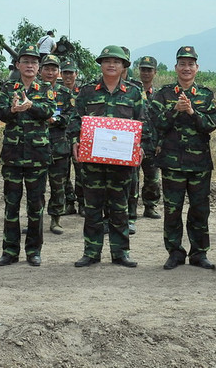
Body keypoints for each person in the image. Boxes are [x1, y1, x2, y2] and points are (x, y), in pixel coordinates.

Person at [68, 45, 146, 267]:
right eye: (107, 61)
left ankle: (120, 253)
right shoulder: (87, 91)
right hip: (92, 162)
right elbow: (75, 119)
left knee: (119, 208)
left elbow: (144, 122)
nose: (112, 64)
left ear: (123, 66)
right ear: (101, 64)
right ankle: (91, 252)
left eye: (117, 61)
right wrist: (75, 140)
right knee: (92, 208)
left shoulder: (134, 92)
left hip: (121, 163)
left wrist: (142, 147)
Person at [148, 46, 216, 270]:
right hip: (172, 163)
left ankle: (199, 253)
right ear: (176, 67)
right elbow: (156, 123)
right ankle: (175, 252)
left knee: (200, 209)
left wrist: (192, 112)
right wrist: (175, 110)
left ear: (197, 68)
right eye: (182, 64)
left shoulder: (206, 95)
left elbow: (211, 125)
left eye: (191, 64)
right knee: (172, 209)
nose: (186, 68)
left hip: (198, 164)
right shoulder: (164, 94)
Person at [0, 45, 56, 266]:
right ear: (18, 65)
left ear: (38, 67)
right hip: (12, 155)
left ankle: (33, 251)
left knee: (35, 205)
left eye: (34, 62)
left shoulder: (45, 88)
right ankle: (9, 251)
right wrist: (12, 110)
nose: (30, 65)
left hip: (37, 157)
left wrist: (31, 106)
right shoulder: (8, 87)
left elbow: (50, 111)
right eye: (25, 61)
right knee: (11, 204)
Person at [39, 55, 74, 235]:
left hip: (59, 146)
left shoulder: (66, 94)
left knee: (58, 185)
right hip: (36, 146)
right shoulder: (32, 91)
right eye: (47, 68)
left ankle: (55, 219)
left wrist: (56, 120)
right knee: (36, 187)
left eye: (53, 69)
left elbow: (71, 116)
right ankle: (35, 220)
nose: (50, 72)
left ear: (58, 72)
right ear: (40, 70)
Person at [133, 56, 162, 224]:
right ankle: (132, 209)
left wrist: (160, 142)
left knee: (152, 178)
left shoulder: (159, 95)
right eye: (143, 69)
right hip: (135, 143)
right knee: (132, 178)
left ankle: (150, 206)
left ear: (155, 72)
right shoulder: (132, 92)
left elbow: (162, 121)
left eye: (149, 70)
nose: (146, 73)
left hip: (152, 143)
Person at [60, 60, 81, 215]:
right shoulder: (56, 93)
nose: (68, 76)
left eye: (71, 73)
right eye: (65, 72)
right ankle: (69, 202)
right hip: (61, 138)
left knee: (81, 173)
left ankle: (83, 203)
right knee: (63, 174)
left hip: (79, 139)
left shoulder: (83, 92)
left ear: (76, 74)